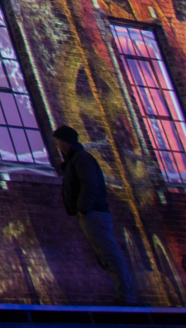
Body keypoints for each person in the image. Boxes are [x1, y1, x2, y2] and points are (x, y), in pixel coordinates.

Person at [52, 125, 140, 305]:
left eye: (58, 141)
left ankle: (126, 295)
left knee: (109, 254)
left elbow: (89, 184)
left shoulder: (81, 159)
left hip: (93, 214)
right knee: (106, 254)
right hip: (91, 213)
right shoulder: (77, 159)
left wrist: (83, 209)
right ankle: (124, 294)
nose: (57, 145)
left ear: (64, 142)